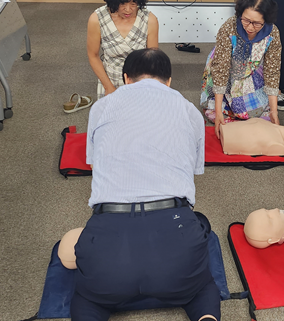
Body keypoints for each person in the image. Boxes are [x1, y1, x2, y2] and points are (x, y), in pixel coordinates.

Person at [73, 48, 219, 321]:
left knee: (87, 297)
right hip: (176, 248)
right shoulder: (190, 112)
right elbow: (193, 170)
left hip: (109, 251)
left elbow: (94, 162)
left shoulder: (102, 107)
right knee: (201, 288)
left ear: (126, 78)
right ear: (169, 80)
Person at [201, 0, 281, 138]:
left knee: (258, 114)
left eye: (257, 23)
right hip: (226, 70)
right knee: (216, 112)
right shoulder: (229, 27)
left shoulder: (273, 33)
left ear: (267, 20)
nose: (250, 27)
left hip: (251, 70)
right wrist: (218, 111)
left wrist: (274, 111)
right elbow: (221, 68)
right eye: (246, 20)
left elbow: (272, 71)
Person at [86, 0, 159, 99]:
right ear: (113, 1)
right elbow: (93, 55)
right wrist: (108, 87)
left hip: (140, 80)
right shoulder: (97, 19)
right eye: (123, 4)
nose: (128, 10)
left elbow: (152, 59)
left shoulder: (149, 19)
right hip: (110, 79)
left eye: (133, 4)